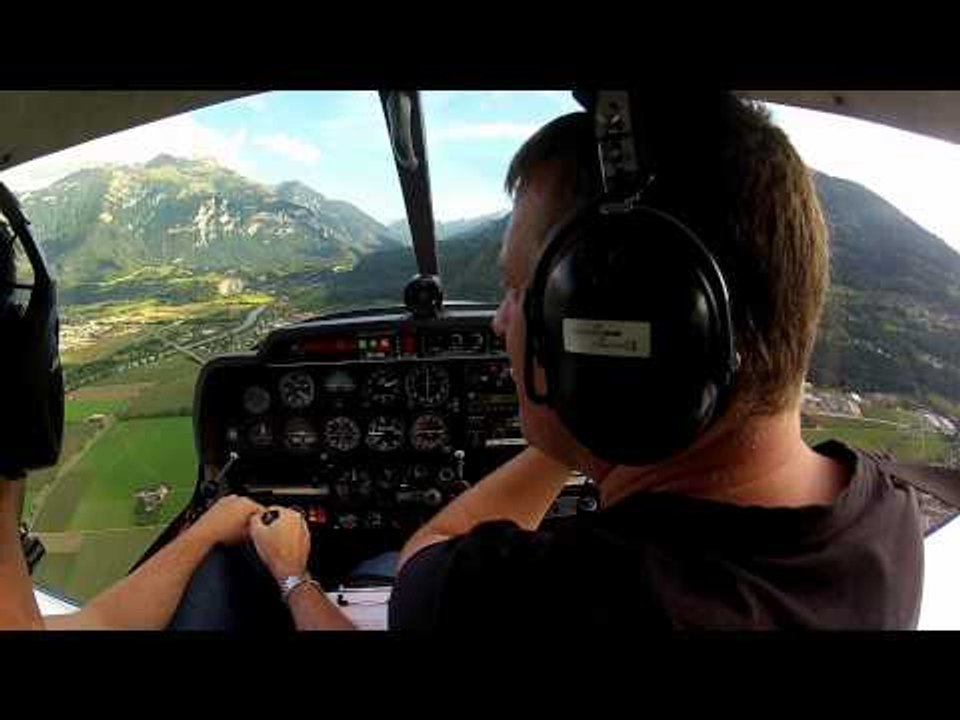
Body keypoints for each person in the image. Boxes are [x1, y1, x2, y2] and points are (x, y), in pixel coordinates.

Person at [386, 94, 924, 630]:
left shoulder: (544, 598)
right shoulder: (890, 519)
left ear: (602, 331)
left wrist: (297, 577)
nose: (498, 322)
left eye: (513, 288)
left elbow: (419, 566)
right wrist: (605, 407)